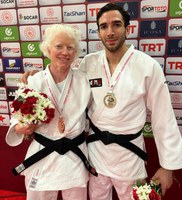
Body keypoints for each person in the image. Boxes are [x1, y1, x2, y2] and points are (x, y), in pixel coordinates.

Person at [20, 3, 182, 200]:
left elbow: (163, 117)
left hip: (129, 154)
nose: (110, 31)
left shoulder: (148, 66)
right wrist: (37, 79)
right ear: (98, 32)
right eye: (104, 27)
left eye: (116, 25)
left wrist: (168, 167)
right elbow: (65, 82)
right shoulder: (89, 63)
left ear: (127, 29)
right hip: (96, 153)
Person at [6, 24, 97, 200]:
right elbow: (16, 121)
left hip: (74, 156)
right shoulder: (33, 81)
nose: (65, 52)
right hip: (43, 155)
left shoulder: (83, 80)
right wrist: (21, 129)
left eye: (70, 47)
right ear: (48, 49)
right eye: (59, 46)